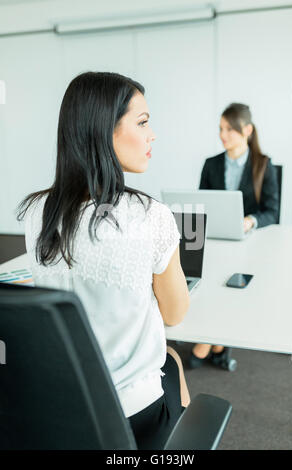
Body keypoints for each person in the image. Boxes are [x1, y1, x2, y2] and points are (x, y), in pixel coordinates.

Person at [17, 71, 191, 449]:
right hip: (133, 414)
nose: (152, 135)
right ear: (103, 131)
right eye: (143, 122)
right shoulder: (149, 215)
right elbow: (175, 314)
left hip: (62, 406)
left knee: (171, 359)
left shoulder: (36, 212)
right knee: (173, 359)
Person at [190, 102, 279, 368]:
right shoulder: (212, 164)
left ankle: (211, 339)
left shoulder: (263, 165)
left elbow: (272, 212)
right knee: (204, 271)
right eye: (220, 129)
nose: (223, 135)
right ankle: (216, 341)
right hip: (216, 238)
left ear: (247, 130)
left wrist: (250, 221)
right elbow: (200, 205)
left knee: (228, 276)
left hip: (249, 242)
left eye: (229, 129)